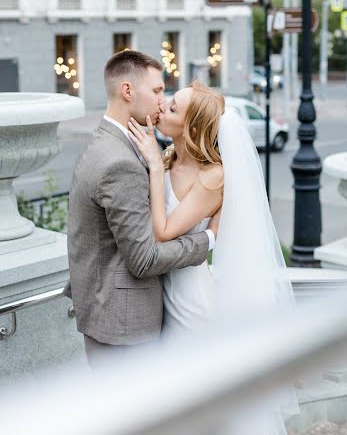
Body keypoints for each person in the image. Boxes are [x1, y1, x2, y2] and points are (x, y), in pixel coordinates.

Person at [128, 79, 298, 434]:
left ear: (191, 128)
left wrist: (155, 167)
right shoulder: (172, 157)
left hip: (191, 300)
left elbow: (163, 231)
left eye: (173, 108)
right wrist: (158, 162)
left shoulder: (211, 176)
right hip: (166, 288)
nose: (162, 108)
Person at [64, 51, 218, 367]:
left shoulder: (113, 141)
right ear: (128, 91)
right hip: (123, 323)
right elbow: (144, 260)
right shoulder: (120, 160)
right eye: (158, 90)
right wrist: (207, 241)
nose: (162, 101)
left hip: (121, 313)